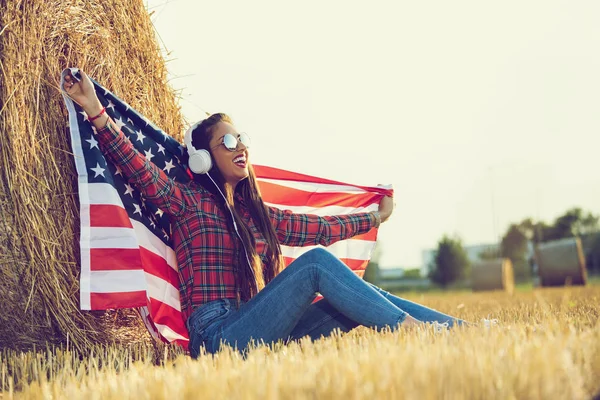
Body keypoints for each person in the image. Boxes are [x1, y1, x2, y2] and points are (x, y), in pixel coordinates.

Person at [62, 70, 465, 358]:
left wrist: (375, 219)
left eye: (242, 139)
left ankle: (455, 332)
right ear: (203, 159)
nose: (241, 147)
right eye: (228, 142)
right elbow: (138, 169)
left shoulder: (251, 215)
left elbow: (316, 228)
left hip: (256, 326)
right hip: (219, 338)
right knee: (315, 268)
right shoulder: (187, 201)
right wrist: (95, 109)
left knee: (355, 297)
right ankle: (409, 330)